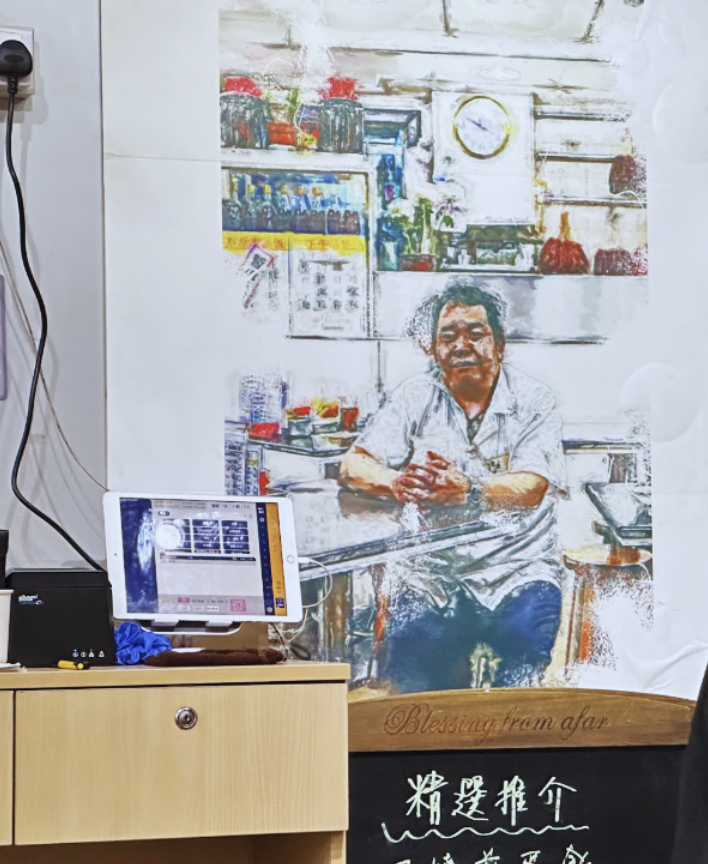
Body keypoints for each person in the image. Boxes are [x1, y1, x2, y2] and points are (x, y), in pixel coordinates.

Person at [339, 277, 567, 692]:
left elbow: (533, 485)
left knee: (519, 678)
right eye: (448, 336)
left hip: (516, 568)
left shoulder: (535, 400)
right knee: (408, 673)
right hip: (432, 571)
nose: (461, 345)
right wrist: (397, 482)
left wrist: (470, 490)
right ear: (433, 348)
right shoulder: (414, 396)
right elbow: (353, 465)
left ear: (499, 344)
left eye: (475, 334)